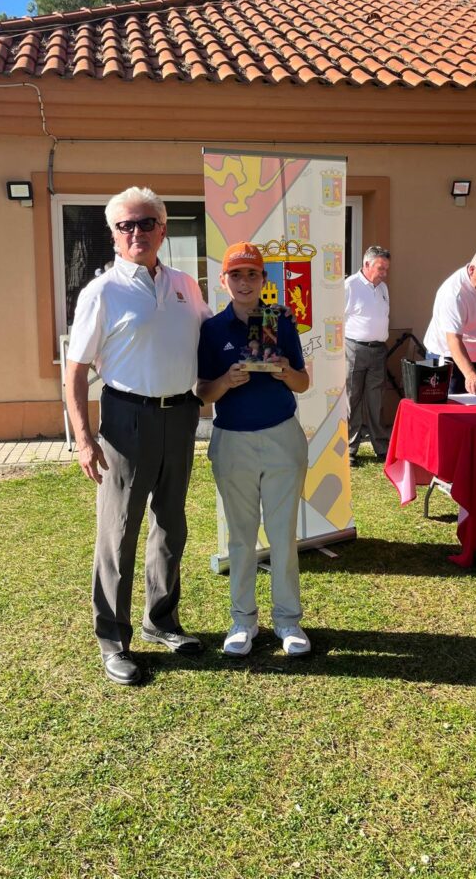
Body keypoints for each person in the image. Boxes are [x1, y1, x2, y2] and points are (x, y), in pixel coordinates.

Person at [65, 187, 211, 686]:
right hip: (127, 419)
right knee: (119, 531)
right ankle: (113, 640)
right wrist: (84, 438)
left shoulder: (185, 286)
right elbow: (75, 370)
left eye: (146, 223)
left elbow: (211, 339)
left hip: (181, 415)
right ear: (113, 234)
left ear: (162, 229)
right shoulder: (102, 291)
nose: (136, 233)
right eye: (125, 225)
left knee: (171, 523)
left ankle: (161, 619)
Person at [197, 242, 311, 658]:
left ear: (264, 279)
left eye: (252, 274)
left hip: (282, 437)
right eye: (236, 275)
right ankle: (242, 620)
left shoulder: (280, 320)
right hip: (233, 442)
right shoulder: (212, 329)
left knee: (282, 536)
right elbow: (202, 392)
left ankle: (288, 621)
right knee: (242, 538)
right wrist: (225, 381)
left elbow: (303, 382)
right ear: (223, 280)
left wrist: (285, 372)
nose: (244, 282)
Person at [423, 248, 476, 395]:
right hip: (449, 360)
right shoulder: (454, 294)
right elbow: (453, 340)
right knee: (452, 408)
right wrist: (470, 375)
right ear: (472, 269)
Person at [344, 245, 391, 466]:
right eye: (381, 268)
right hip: (354, 348)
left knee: (376, 400)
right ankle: (349, 450)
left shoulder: (383, 288)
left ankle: (380, 446)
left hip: (378, 350)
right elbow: (337, 319)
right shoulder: (350, 286)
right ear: (366, 265)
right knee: (352, 399)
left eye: (386, 269)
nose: (384, 274)